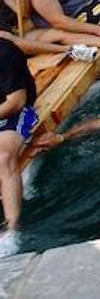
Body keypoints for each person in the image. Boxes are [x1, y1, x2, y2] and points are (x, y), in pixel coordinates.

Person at [0, 38, 36, 234]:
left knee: (4, 158)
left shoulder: (4, 53)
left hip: (17, 113)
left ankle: (12, 229)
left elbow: (17, 101)